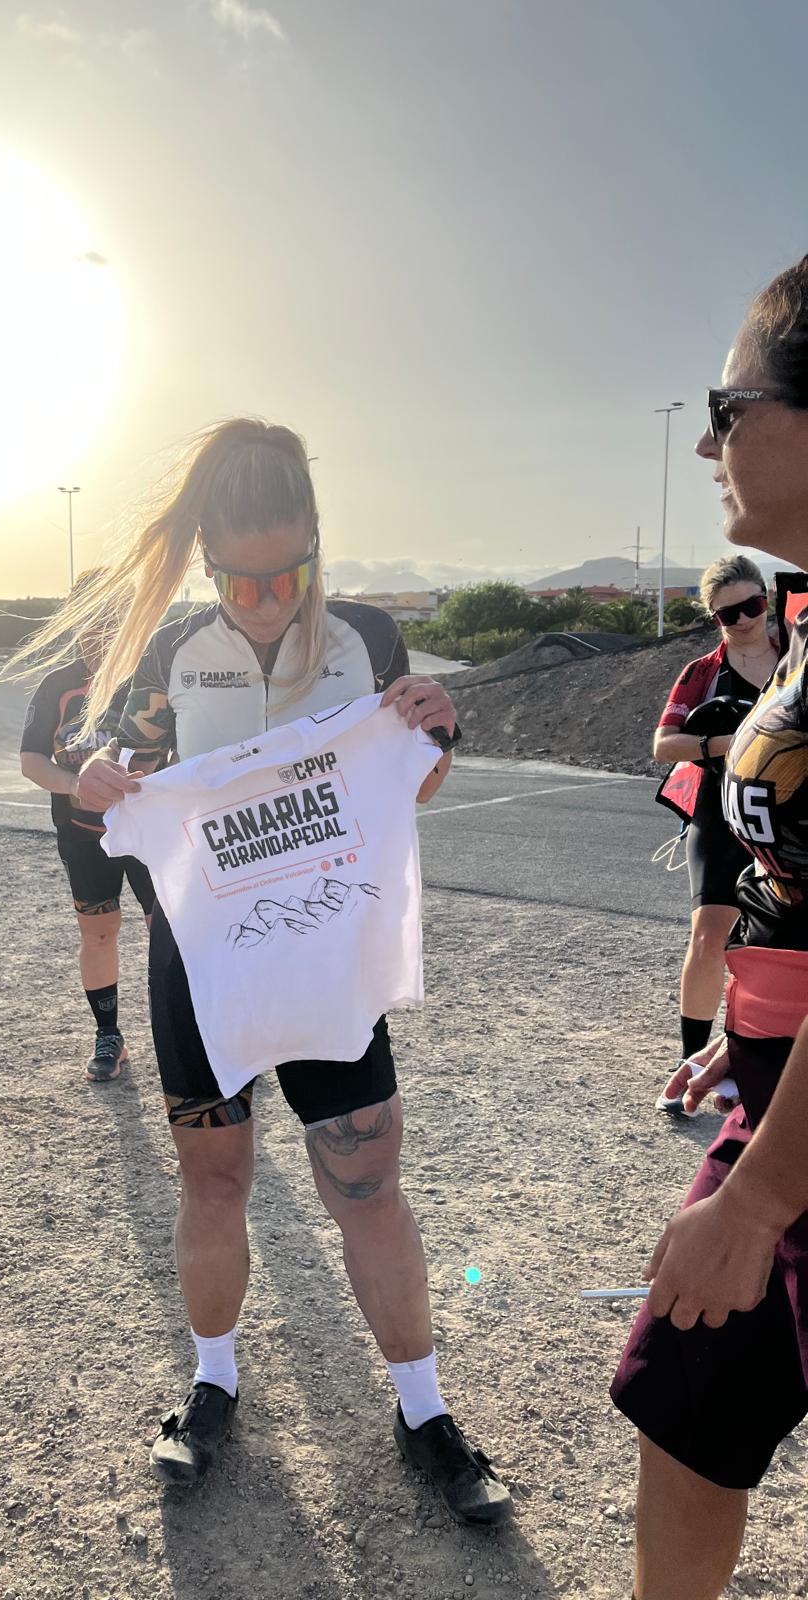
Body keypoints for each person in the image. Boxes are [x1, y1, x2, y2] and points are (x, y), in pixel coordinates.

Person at [17, 419, 511, 1525]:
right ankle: (213, 1384)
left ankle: (424, 1410)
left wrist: (435, 733)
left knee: (367, 1183)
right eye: (240, 582)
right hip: (200, 960)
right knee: (215, 1182)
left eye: (288, 574)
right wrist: (97, 776)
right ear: (207, 564)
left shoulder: (370, 636)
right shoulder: (169, 652)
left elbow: (410, 783)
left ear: (317, 543)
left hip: (329, 953)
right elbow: (119, 774)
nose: (266, 601)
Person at [611, 254, 808, 1600]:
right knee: (685, 1398)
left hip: (796, 1155)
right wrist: (753, 1038)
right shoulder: (807, 620)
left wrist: (761, 1199)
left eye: (727, 407)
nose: (705, 440)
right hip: (785, 1092)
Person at [652, 555, 779, 1114]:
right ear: (714, 618)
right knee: (708, 937)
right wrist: (729, 742)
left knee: (779, 945)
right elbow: (664, 745)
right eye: (729, 614)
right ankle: (692, 1063)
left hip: (789, 814)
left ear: (767, 601)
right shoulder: (702, 671)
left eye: (753, 605)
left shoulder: (798, 656)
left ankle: (763, 1061)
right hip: (720, 807)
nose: (744, 619)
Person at [18, 586, 156, 1081]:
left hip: (152, 836)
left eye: (113, 617)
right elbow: (31, 760)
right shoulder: (59, 685)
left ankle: (205, 1029)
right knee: (98, 934)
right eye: (91, 619)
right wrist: (74, 784)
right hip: (84, 835)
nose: (100, 631)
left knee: (172, 933)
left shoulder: (153, 676)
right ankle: (109, 1034)